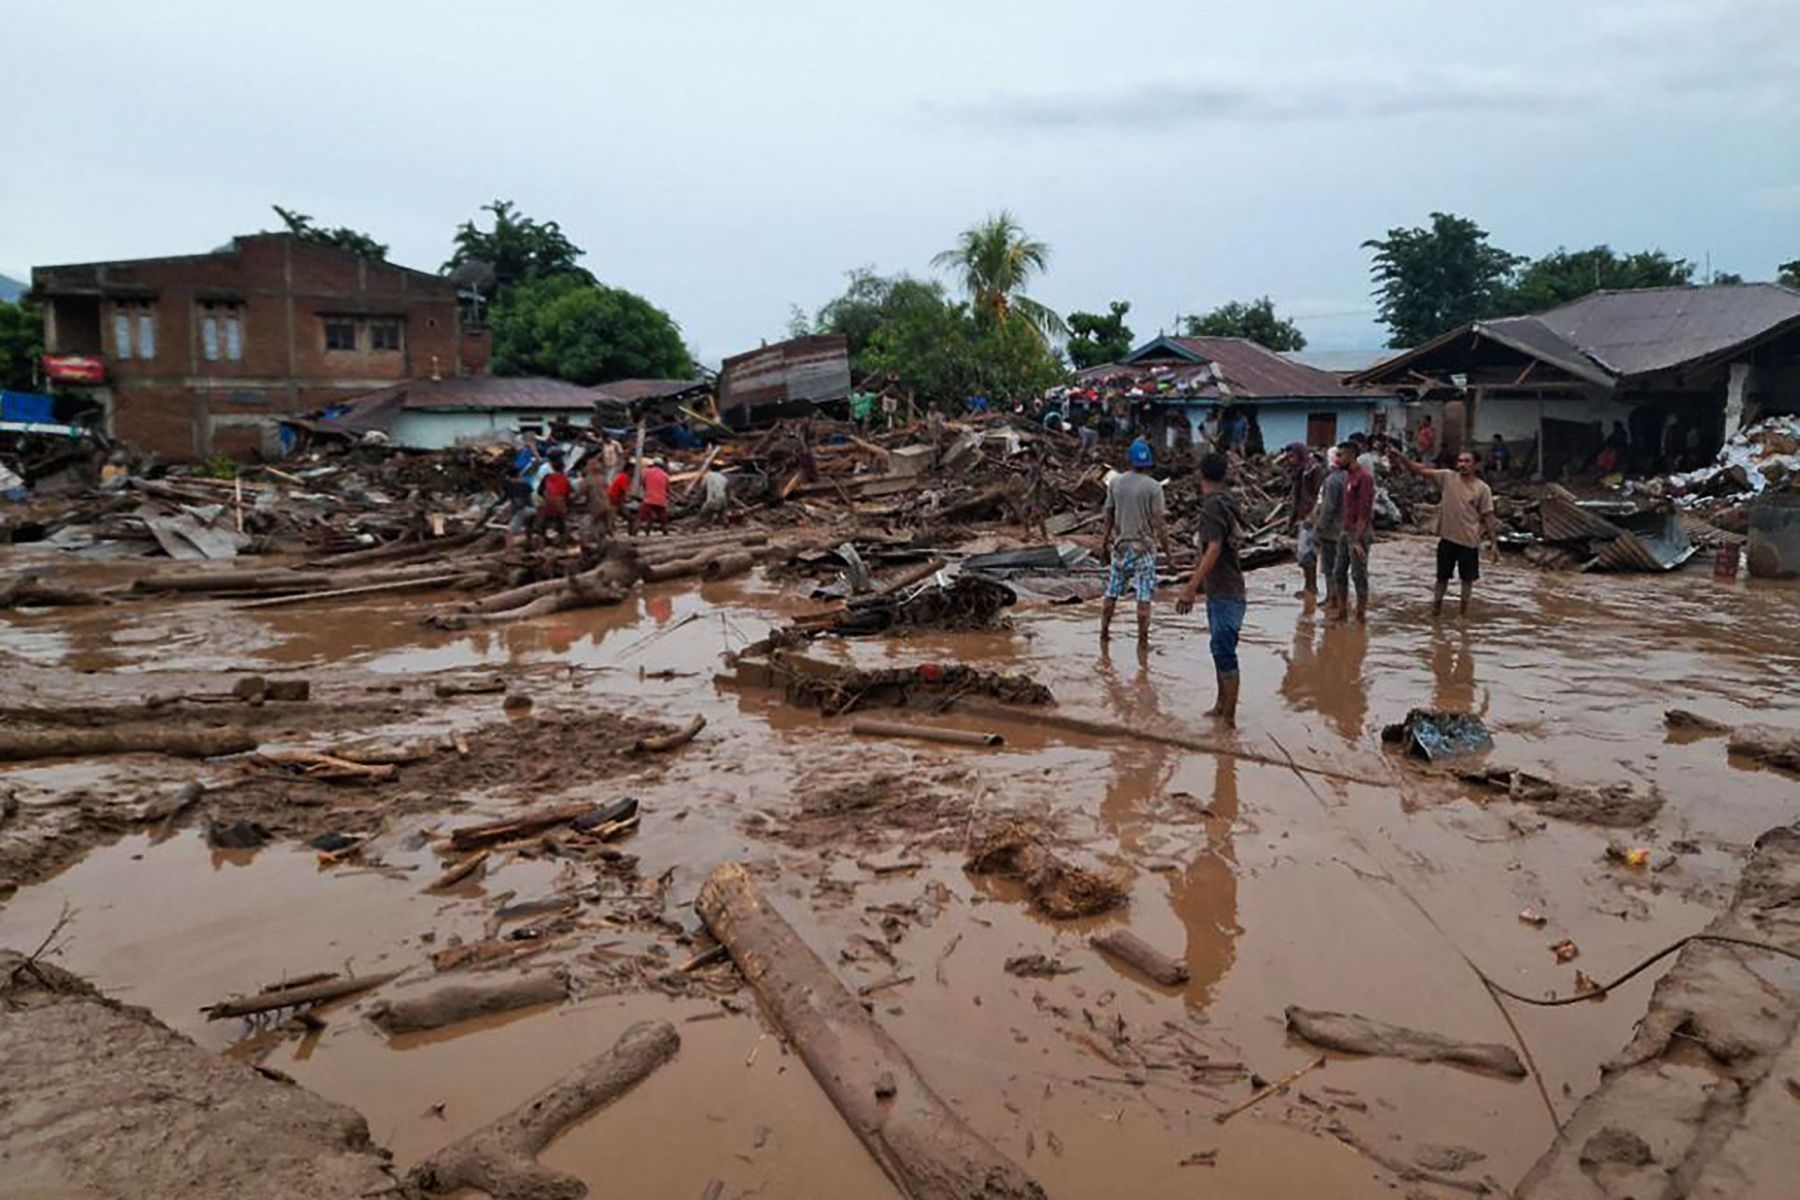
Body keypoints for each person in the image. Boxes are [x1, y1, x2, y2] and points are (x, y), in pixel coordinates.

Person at [1176, 452, 1246, 727]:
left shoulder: (1213, 507)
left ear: (1200, 475)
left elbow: (1214, 548)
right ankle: (1220, 706)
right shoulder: (1225, 502)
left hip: (1226, 591)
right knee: (1219, 648)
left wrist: (1191, 588)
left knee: (1225, 651)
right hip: (1225, 588)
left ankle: (1229, 721)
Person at [1389, 447, 1498, 618]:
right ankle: (1435, 611)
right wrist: (1401, 457)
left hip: (1469, 542)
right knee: (1441, 578)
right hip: (1447, 539)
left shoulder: (1482, 489)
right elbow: (1419, 470)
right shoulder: (1447, 477)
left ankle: (1463, 615)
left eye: (1467, 461)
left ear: (1476, 465)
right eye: (1460, 461)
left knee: (1467, 581)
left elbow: (1488, 517)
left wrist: (1494, 544)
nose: (1462, 465)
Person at [1099, 437, 1170, 646]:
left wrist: (1104, 544)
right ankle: (1142, 642)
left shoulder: (1115, 482)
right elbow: (1160, 523)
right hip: (1144, 549)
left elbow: (1108, 517)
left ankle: (1104, 633)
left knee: (1111, 593)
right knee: (1143, 597)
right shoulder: (1154, 487)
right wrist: (1169, 554)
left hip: (1120, 548)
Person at [1331, 441, 1375, 622]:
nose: (1337, 459)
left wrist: (1357, 540)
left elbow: (1364, 512)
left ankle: (1360, 615)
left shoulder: (1364, 478)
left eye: (1340, 455)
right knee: (1338, 572)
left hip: (1359, 533)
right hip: (1345, 531)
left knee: (1358, 575)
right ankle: (1342, 612)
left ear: (1351, 455)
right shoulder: (1348, 477)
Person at [1284, 443, 1326, 595]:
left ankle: (1311, 587)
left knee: (1308, 553)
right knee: (1303, 555)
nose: (1290, 460)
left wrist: (1314, 515)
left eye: (1292, 456)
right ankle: (1309, 586)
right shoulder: (1299, 472)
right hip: (1303, 516)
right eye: (1288, 457)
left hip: (1312, 518)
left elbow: (1321, 496)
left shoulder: (1314, 470)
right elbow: (1296, 498)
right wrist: (1291, 519)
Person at [1312, 446, 1348, 614]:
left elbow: (1328, 507)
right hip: (1345, 530)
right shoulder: (1349, 477)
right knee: (1340, 568)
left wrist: (1319, 528)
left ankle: (1331, 599)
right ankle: (1340, 601)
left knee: (1329, 568)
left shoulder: (1332, 480)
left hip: (1331, 531)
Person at [529, 453, 572, 550]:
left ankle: (540, 546)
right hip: (557, 503)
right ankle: (560, 546)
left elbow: (541, 490)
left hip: (546, 501)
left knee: (543, 523)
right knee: (561, 525)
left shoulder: (547, 476)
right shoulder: (563, 478)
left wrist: (547, 498)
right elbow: (568, 494)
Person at [582, 446, 614, 541]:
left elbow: (581, 492)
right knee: (605, 525)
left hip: (596, 506)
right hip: (607, 504)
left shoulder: (588, 480)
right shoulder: (603, 478)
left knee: (594, 525)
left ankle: (598, 542)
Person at [633, 458, 671, 536]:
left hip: (649, 499)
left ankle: (634, 533)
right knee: (663, 520)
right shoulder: (665, 475)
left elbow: (643, 483)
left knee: (640, 517)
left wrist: (647, 490)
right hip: (661, 500)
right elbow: (667, 489)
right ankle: (665, 533)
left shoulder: (647, 472)